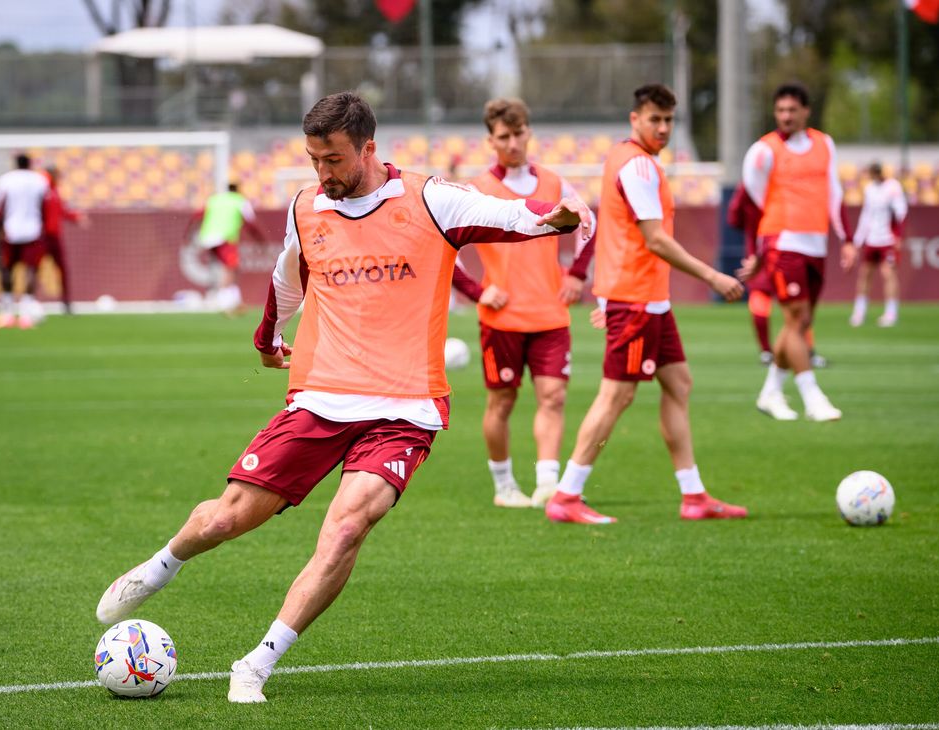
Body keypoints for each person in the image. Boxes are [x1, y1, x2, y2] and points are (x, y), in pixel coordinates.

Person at [95, 91, 591, 704]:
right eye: (313, 160)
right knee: (227, 517)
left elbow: (519, 215)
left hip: (405, 409)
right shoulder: (307, 206)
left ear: (368, 149)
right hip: (322, 397)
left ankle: (257, 661)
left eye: (333, 160)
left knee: (347, 526)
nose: (322, 174)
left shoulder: (432, 199)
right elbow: (288, 270)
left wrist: (562, 214)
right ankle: (159, 567)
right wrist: (268, 334)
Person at [546, 84, 747, 526]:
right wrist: (713, 276)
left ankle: (694, 496)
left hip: (648, 300)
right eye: (654, 119)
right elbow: (654, 239)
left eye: (669, 120)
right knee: (617, 395)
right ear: (634, 119)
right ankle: (566, 495)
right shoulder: (636, 166)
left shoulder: (630, 158)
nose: (663, 128)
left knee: (679, 383)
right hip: (635, 300)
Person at [449, 97, 596, 509]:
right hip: (502, 317)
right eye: (503, 136)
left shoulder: (553, 182)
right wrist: (479, 292)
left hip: (550, 313)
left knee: (554, 397)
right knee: (502, 402)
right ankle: (504, 486)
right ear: (489, 140)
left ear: (529, 132)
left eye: (518, 133)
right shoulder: (476, 189)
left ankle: (547, 483)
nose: (512, 143)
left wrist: (577, 274)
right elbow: (446, 249)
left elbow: (589, 222)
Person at [738, 82, 855, 422]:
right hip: (783, 242)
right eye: (780, 110)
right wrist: (762, 244)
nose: (786, 116)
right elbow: (753, 199)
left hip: (816, 244)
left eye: (792, 110)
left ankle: (771, 391)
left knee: (802, 322)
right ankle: (811, 395)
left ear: (806, 111)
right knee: (795, 318)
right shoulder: (763, 150)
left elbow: (834, 192)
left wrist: (845, 237)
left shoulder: (824, 144)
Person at [727, 182, 828, 368]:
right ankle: (806, 351)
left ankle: (768, 352)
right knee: (797, 308)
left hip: (768, 249)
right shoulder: (785, 182)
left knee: (778, 304)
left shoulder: (749, 184)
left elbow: (734, 217)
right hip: (785, 249)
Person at [186, 182, 268, 312]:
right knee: (230, 267)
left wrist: (188, 234)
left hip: (207, 237)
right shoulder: (240, 201)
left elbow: (196, 216)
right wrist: (260, 240)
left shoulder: (214, 199)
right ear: (238, 190)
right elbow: (251, 223)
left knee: (221, 267)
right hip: (224, 237)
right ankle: (226, 300)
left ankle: (222, 296)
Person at [0, 152, 49, 329]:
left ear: (15, 163)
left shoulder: (5, 180)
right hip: (33, 230)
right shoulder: (39, 180)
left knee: (7, 269)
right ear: (30, 164)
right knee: (31, 270)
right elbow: (44, 205)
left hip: (10, 230)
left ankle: (7, 313)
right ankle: (26, 315)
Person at [850, 162, 907, 328]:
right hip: (871, 239)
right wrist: (858, 241)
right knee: (865, 273)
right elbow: (866, 215)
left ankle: (891, 312)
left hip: (887, 239)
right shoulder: (869, 189)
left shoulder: (893, 187)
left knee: (888, 273)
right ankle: (859, 311)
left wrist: (898, 236)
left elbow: (901, 213)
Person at [41, 166, 89, 315]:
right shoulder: (41, 191)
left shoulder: (55, 192)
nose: (59, 178)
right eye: (56, 175)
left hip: (55, 237)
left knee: (62, 269)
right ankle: (28, 302)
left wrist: (76, 217)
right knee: (34, 269)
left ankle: (66, 302)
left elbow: (62, 211)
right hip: (42, 237)